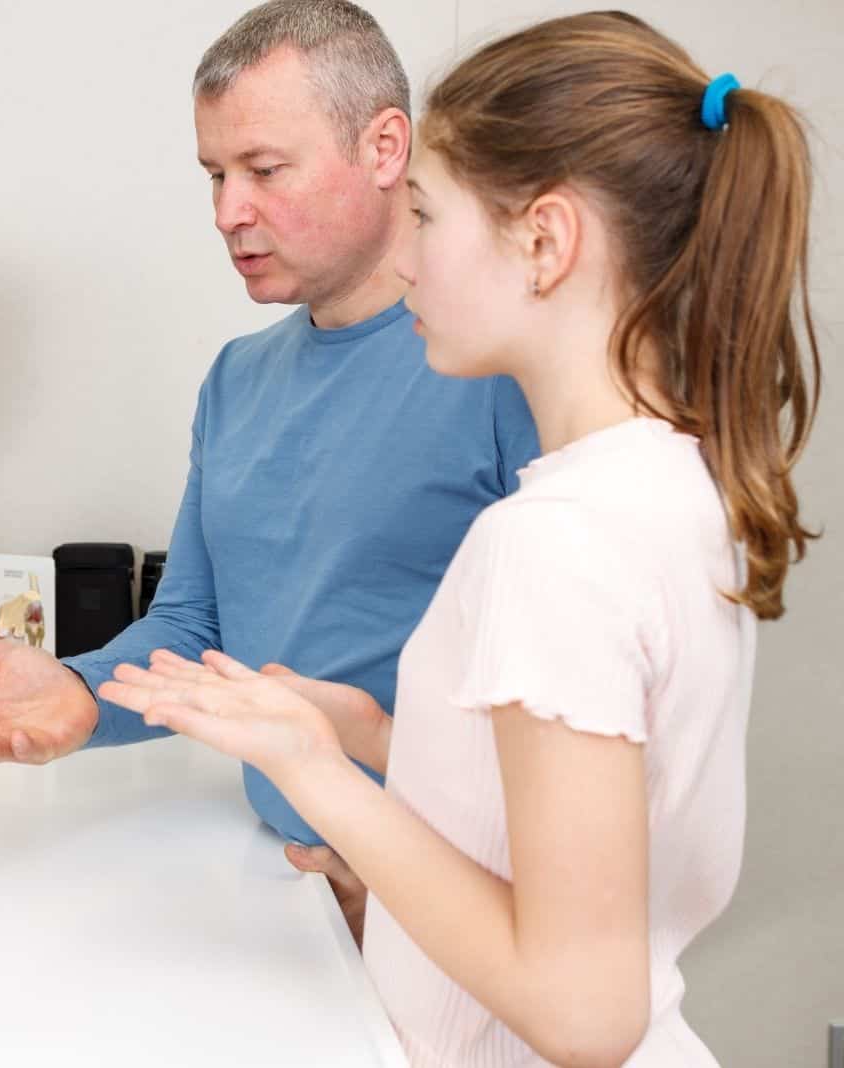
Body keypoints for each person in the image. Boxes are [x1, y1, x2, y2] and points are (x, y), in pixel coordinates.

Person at [102, 11, 820, 1065]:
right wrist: (374, 734)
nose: (411, 260)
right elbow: (591, 801)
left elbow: (585, 1012)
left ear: (544, 242)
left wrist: (318, 774)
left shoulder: (551, 544)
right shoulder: (665, 481)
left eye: (427, 219)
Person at [0, 0, 537, 863]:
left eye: (265, 169)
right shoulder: (237, 382)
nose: (227, 211)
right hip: (293, 884)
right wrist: (79, 692)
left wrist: (415, 891)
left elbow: (568, 707)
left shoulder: (507, 371)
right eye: (216, 174)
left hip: (454, 899)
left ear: (385, 148)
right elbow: (194, 625)